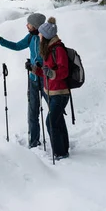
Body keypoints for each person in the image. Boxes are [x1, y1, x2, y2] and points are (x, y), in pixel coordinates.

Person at [0, 13, 46, 148]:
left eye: (29, 24)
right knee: (32, 113)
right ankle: (34, 143)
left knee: (53, 113)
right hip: (33, 79)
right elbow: (17, 46)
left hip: (46, 81)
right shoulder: (31, 37)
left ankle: (59, 144)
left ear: (36, 26)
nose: (27, 25)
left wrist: (38, 66)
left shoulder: (46, 39)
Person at [29, 16, 70, 161]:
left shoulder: (58, 49)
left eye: (40, 34)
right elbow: (46, 72)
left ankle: (60, 153)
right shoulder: (48, 50)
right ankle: (64, 148)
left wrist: (51, 73)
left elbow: (64, 71)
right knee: (56, 121)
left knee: (51, 122)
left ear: (45, 36)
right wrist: (35, 70)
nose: (38, 36)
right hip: (52, 92)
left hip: (60, 93)